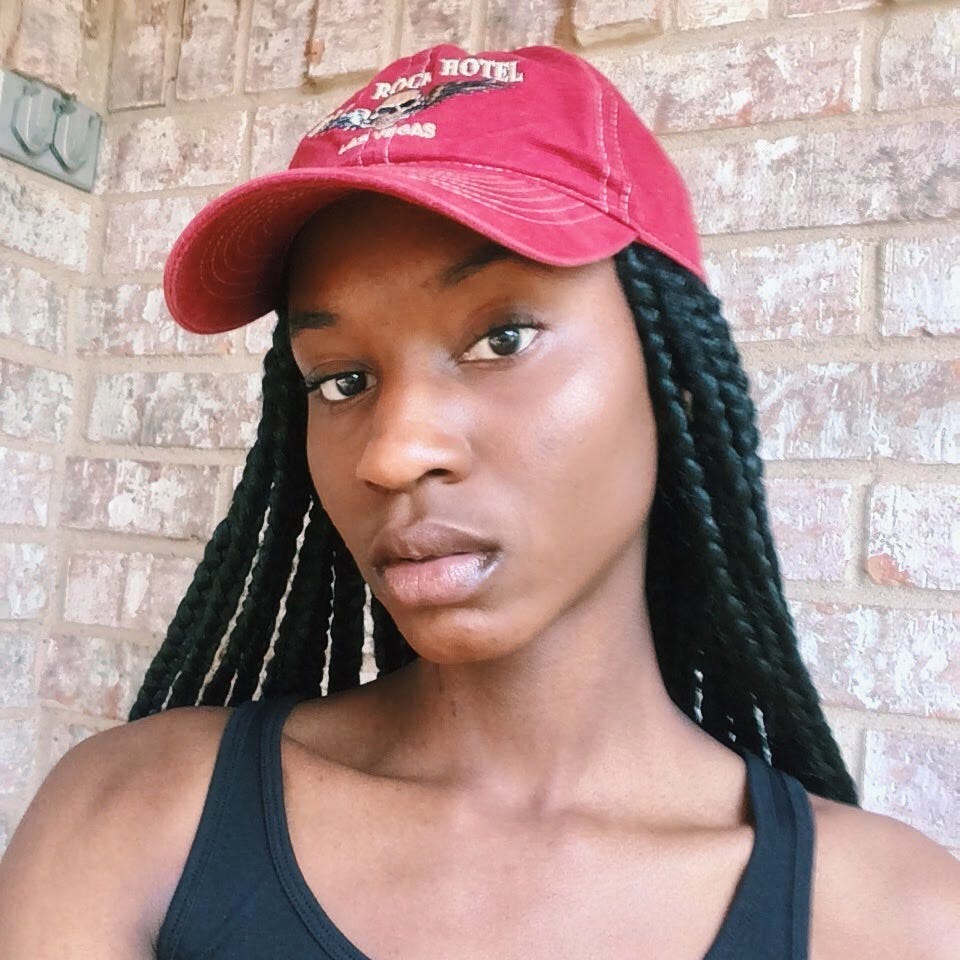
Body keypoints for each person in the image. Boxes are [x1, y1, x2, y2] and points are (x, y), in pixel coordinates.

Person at [1, 41, 958, 960]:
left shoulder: (900, 920)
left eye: (502, 339)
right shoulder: (131, 819)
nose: (394, 453)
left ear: (676, 385)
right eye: (338, 380)